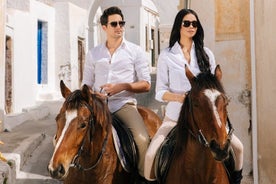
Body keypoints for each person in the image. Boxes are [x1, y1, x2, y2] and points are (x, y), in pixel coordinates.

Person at [144, 8, 244, 184]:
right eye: (187, 23)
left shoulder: (207, 54)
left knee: (239, 148)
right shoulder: (166, 56)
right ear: (179, 26)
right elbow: (159, 92)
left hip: (208, 117)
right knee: (151, 155)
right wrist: (178, 97)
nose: (191, 26)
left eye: (194, 24)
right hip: (175, 118)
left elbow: (215, 87)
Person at [82, 6, 151, 179]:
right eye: (114, 24)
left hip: (123, 105)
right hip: (96, 106)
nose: (119, 27)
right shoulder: (93, 54)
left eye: (122, 23)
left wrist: (122, 86)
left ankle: (144, 178)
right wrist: (93, 95)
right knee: (68, 134)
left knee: (142, 139)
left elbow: (146, 84)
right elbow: (86, 85)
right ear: (104, 27)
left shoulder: (135, 52)